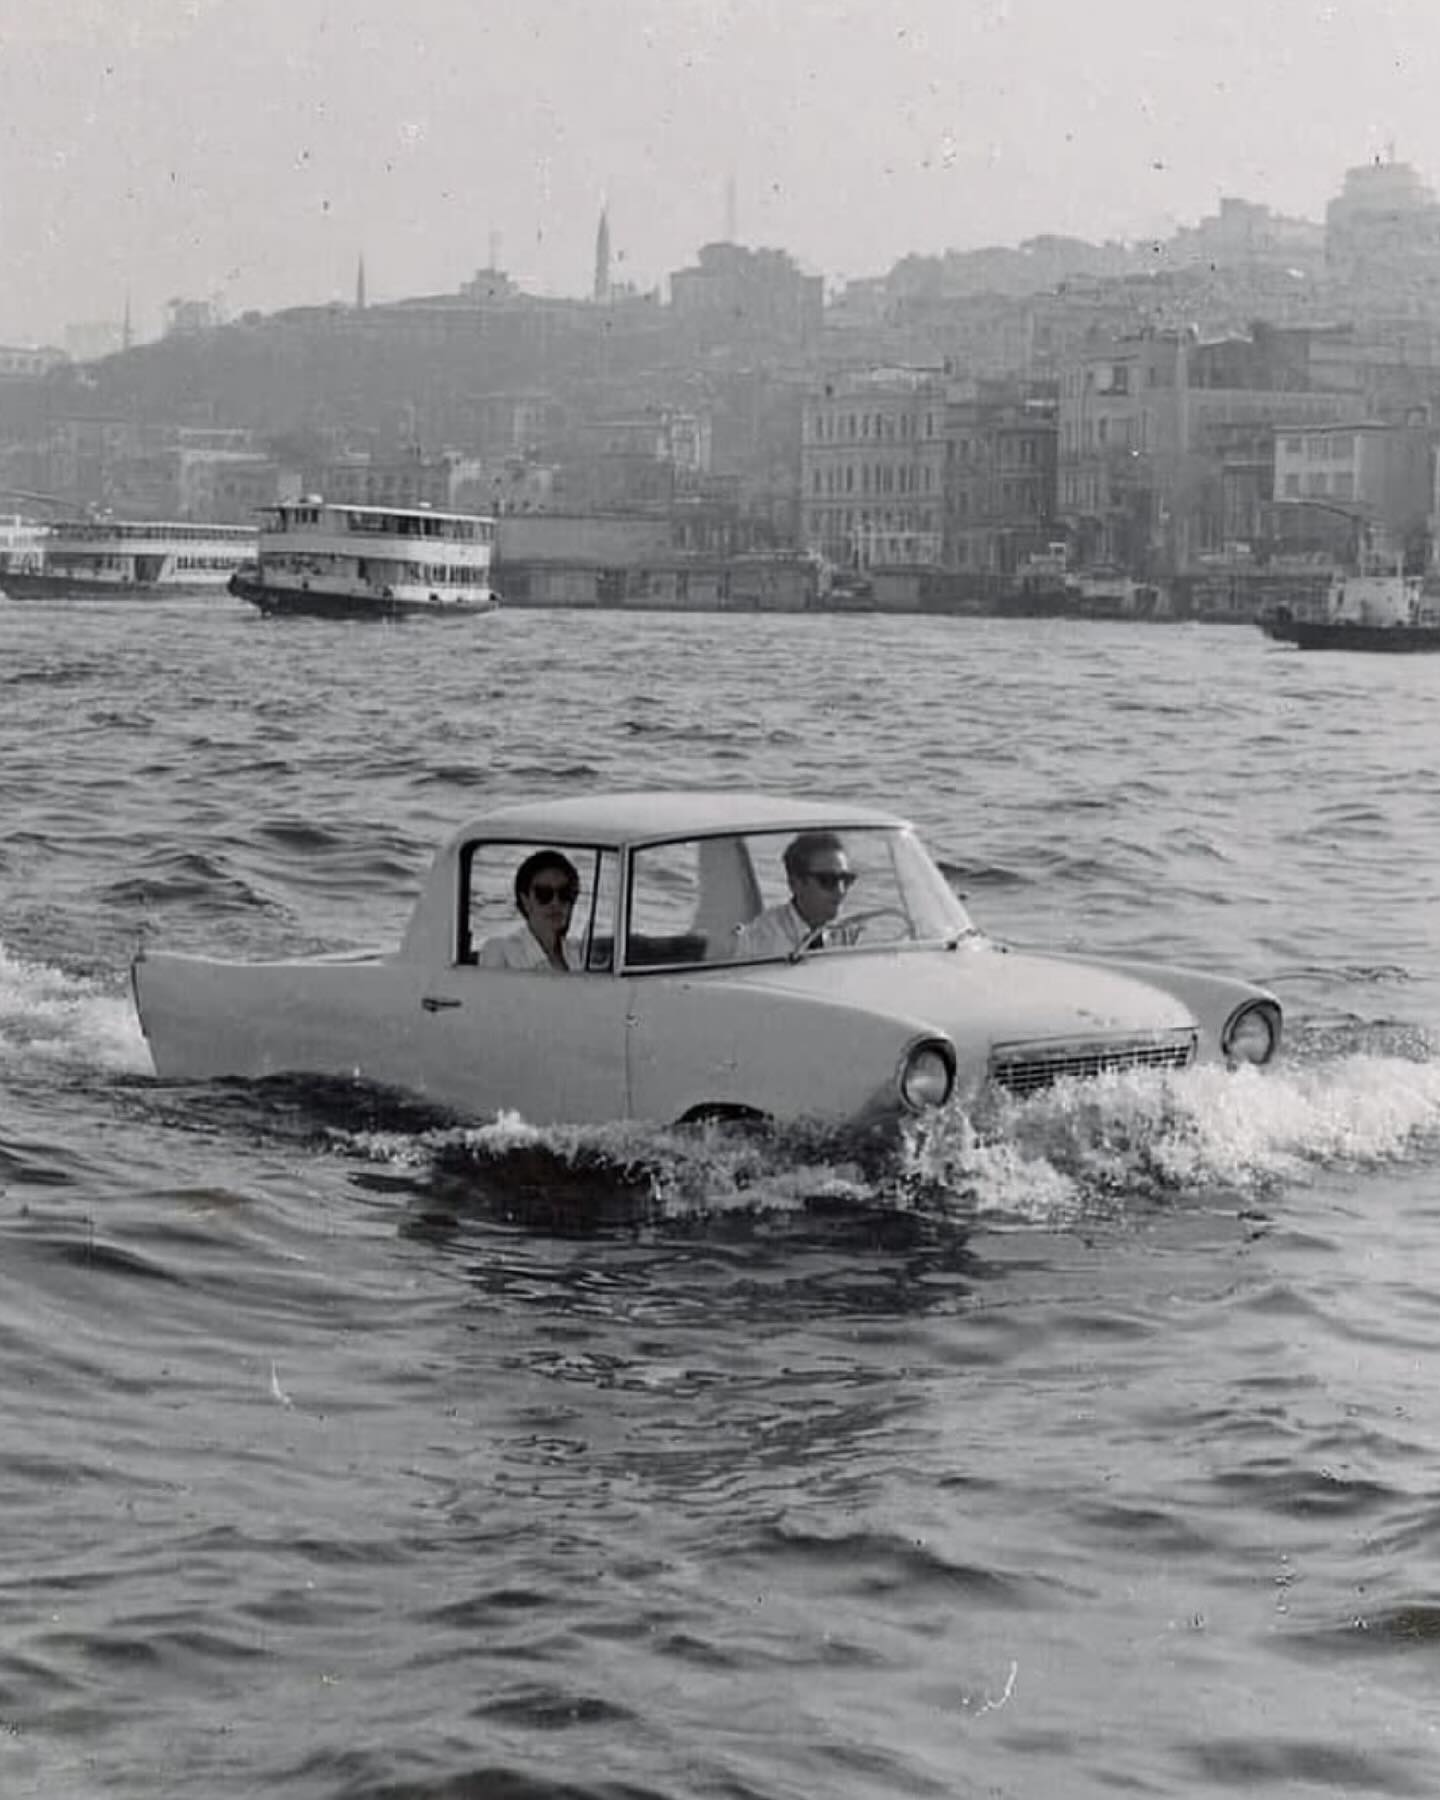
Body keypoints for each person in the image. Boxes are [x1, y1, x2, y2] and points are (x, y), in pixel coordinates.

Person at [732, 830, 857, 959]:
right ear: (795, 884)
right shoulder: (760, 938)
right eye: (828, 881)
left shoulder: (850, 934)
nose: (840, 890)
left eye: (846, 879)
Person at [477, 849, 583, 972]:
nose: (556, 902)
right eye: (544, 894)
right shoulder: (500, 951)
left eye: (565, 894)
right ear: (525, 900)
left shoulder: (575, 952)